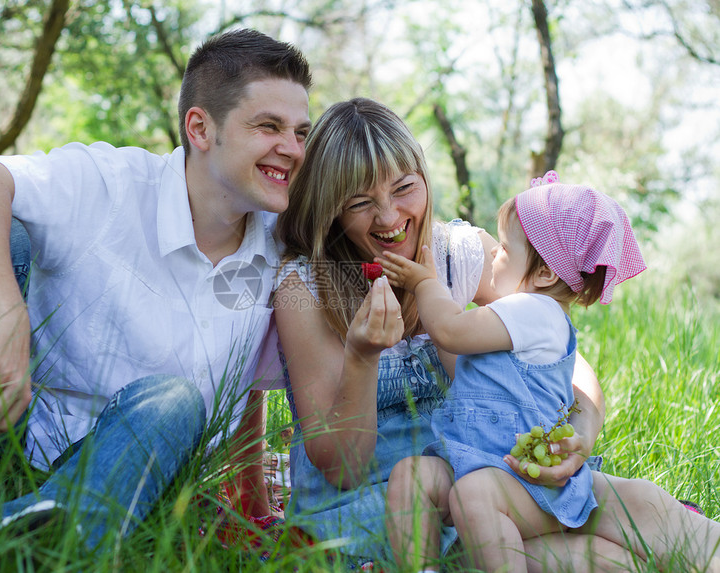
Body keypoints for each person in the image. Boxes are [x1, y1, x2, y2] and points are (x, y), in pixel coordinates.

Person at [0, 28, 312, 549]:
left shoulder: (285, 256)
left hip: (123, 486)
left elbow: (251, 389)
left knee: (176, 402)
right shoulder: (112, 184)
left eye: (301, 132)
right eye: (269, 126)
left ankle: (25, 538)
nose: (293, 149)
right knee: (0, 235)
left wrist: (253, 505)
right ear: (200, 128)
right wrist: (7, 313)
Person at [272, 97, 719, 572]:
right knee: (606, 561)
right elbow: (341, 467)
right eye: (360, 202)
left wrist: (581, 432)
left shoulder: (458, 254)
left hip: (474, 476)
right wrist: (361, 357)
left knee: (617, 546)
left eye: (404, 189)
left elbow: (561, 356)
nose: (387, 217)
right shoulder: (305, 288)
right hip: (374, 503)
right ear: (332, 209)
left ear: (424, 178)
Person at [380, 174, 656, 571]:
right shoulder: (523, 314)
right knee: (411, 477)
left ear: (545, 274)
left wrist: (425, 281)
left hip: (521, 476)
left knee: (473, 496)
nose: (494, 255)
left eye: (505, 248)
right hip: (477, 458)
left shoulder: (534, 311)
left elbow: (451, 330)